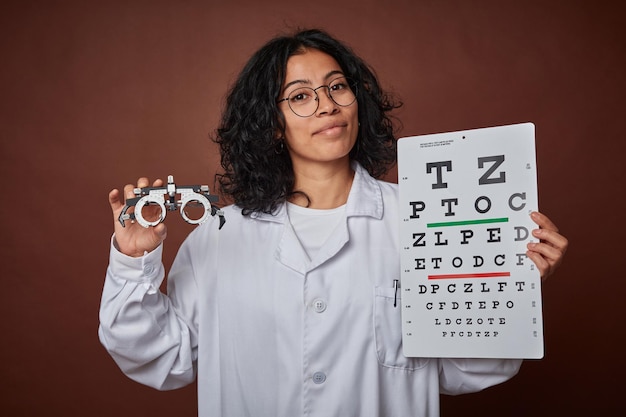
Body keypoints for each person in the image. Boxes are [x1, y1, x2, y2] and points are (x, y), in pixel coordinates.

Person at [99, 29, 568, 416]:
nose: (327, 105)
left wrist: (504, 285)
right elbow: (162, 356)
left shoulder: (422, 221)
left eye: (337, 86)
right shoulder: (221, 234)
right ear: (272, 124)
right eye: (300, 95)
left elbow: (464, 370)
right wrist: (134, 260)